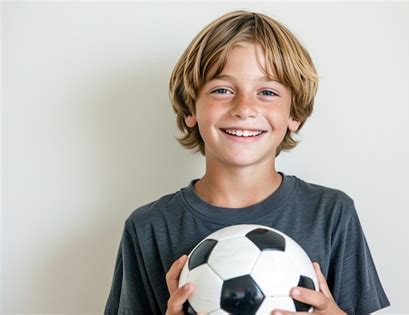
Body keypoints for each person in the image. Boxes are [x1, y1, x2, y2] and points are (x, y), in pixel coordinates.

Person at [105, 10, 390, 315]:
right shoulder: (149, 227)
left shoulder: (330, 214)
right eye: (222, 90)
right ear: (191, 109)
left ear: (294, 114)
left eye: (267, 92)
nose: (244, 109)